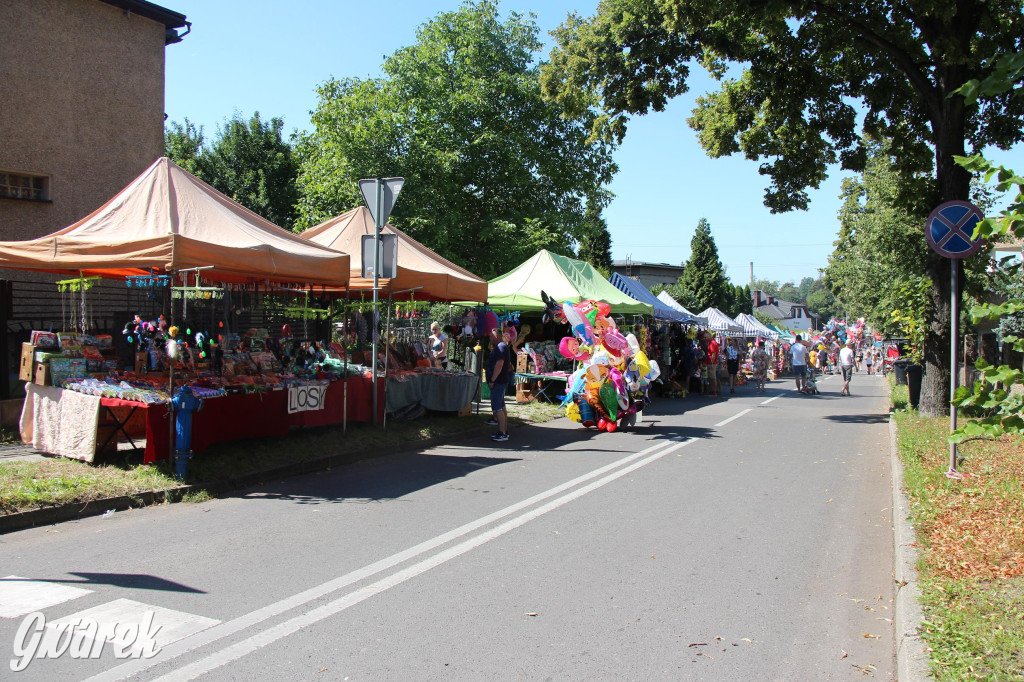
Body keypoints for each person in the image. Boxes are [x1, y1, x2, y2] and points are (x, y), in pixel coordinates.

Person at [484, 325, 512, 441]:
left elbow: (499, 364)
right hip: (501, 381)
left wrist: (492, 380)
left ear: (496, 336)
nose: (489, 338)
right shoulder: (501, 346)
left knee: (497, 407)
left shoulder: (500, 347)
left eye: (491, 336)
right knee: (501, 406)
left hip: (498, 381)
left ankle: (502, 433)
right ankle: (504, 430)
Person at [704, 331, 720, 397]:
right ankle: (712, 391)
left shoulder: (712, 343)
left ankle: (714, 392)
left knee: (713, 378)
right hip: (711, 362)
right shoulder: (711, 343)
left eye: (705, 337)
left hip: (712, 363)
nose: (705, 339)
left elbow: (713, 354)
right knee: (711, 378)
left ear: (709, 336)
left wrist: (711, 362)